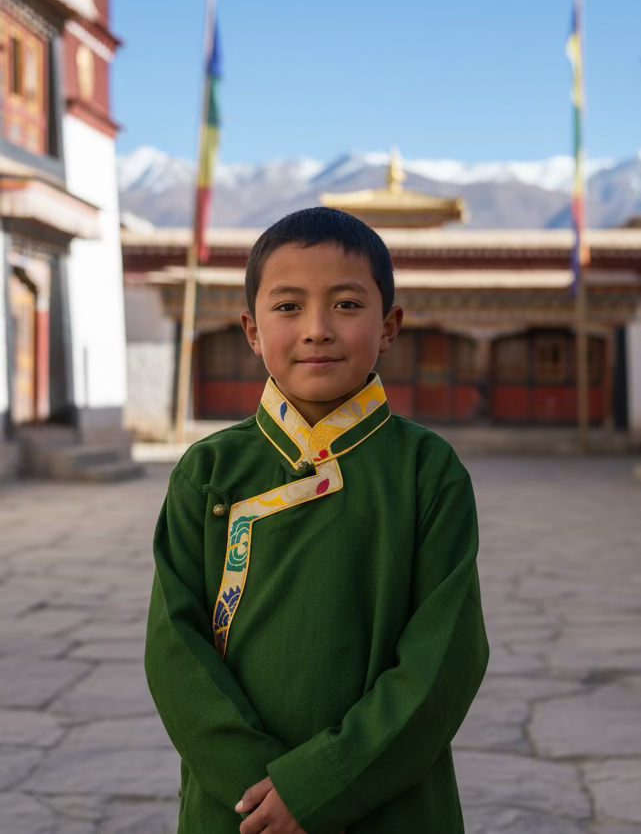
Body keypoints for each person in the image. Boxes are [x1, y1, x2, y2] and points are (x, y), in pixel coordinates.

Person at [144, 206, 489, 834]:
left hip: (388, 796)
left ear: (389, 326)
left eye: (347, 305)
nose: (317, 329)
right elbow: (175, 648)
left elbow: (445, 657)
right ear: (251, 330)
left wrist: (320, 784)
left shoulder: (425, 471)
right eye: (288, 307)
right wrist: (256, 784)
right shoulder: (209, 470)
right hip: (239, 804)